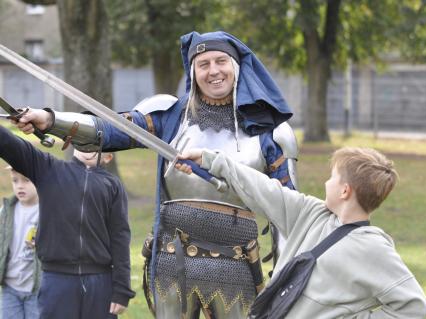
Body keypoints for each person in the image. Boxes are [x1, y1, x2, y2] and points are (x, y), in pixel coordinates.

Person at [12, 31, 298, 318]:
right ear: (193, 70)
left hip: (235, 265)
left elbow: (289, 213)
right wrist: (50, 119)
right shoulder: (169, 115)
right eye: (203, 64)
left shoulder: (269, 131)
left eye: (220, 61)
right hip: (172, 261)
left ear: (235, 66)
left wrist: (285, 279)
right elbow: (110, 129)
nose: (213, 71)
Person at [175, 147, 426, 318]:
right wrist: (211, 160)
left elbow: (413, 306)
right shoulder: (312, 214)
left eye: (332, 178)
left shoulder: (373, 248)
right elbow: (264, 189)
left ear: (345, 191)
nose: (326, 182)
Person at [0, 125, 135, 319]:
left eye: (95, 139)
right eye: (82, 136)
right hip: (57, 281)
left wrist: (122, 288)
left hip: (100, 282)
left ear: (107, 155)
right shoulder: (48, 170)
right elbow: (10, 144)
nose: (88, 144)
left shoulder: (113, 186)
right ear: (71, 142)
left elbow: (120, 237)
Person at [0, 167, 41, 319]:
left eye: (26, 180)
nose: (20, 186)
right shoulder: (7, 210)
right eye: (15, 180)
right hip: (10, 288)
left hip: (36, 289)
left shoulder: (47, 211)